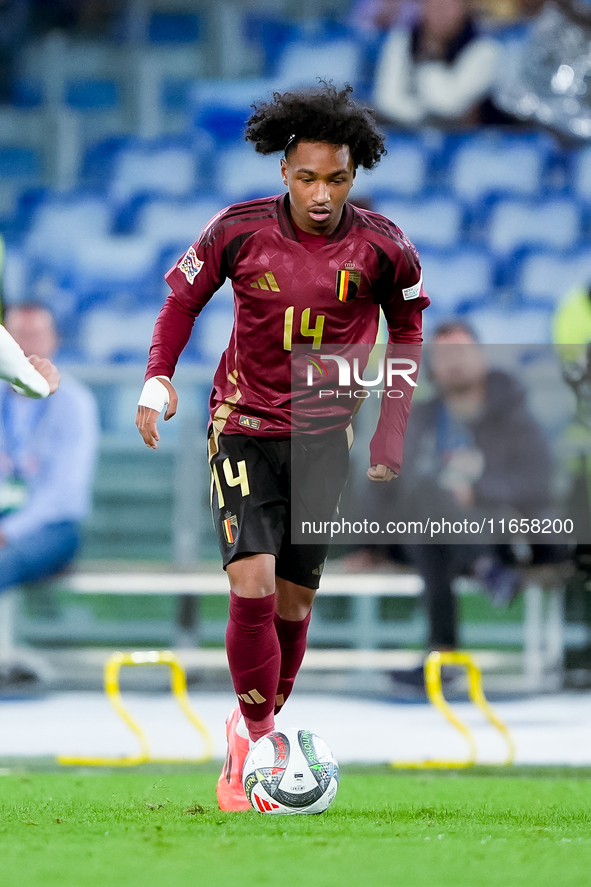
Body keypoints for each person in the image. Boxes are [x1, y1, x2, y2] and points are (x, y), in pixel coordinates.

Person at [136, 83, 429, 810]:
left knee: (294, 603)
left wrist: (389, 427)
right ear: (283, 172)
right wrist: (156, 380)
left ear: (353, 174)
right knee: (253, 579)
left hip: (325, 437)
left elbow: (410, 329)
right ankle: (262, 743)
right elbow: (180, 300)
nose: (320, 193)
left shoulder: (384, 246)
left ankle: (247, 723)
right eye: (306, 177)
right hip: (244, 423)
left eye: (335, 178)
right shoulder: (236, 231)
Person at [346, 320, 556, 691]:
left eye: (461, 351)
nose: (453, 362)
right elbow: (385, 481)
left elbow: (537, 481)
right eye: (444, 354)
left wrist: (479, 490)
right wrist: (367, 543)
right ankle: (481, 567)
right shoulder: (417, 418)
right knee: (427, 502)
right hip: (430, 537)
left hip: (498, 535)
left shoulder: (514, 415)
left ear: (481, 356)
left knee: (431, 520)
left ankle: (442, 653)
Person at [0, 303, 99, 686]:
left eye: (36, 336)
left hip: (52, 527)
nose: (26, 347)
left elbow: (64, 492)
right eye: (17, 337)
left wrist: (12, 530)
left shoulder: (74, 403)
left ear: (54, 341)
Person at [373, 0, 502, 127]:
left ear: (465, 8)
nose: (441, 13)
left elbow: (450, 105)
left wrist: (430, 59)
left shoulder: (486, 47)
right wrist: (420, 116)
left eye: (449, 6)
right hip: (409, 134)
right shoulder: (402, 38)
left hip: (469, 141)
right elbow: (386, 100)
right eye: (434, 5)